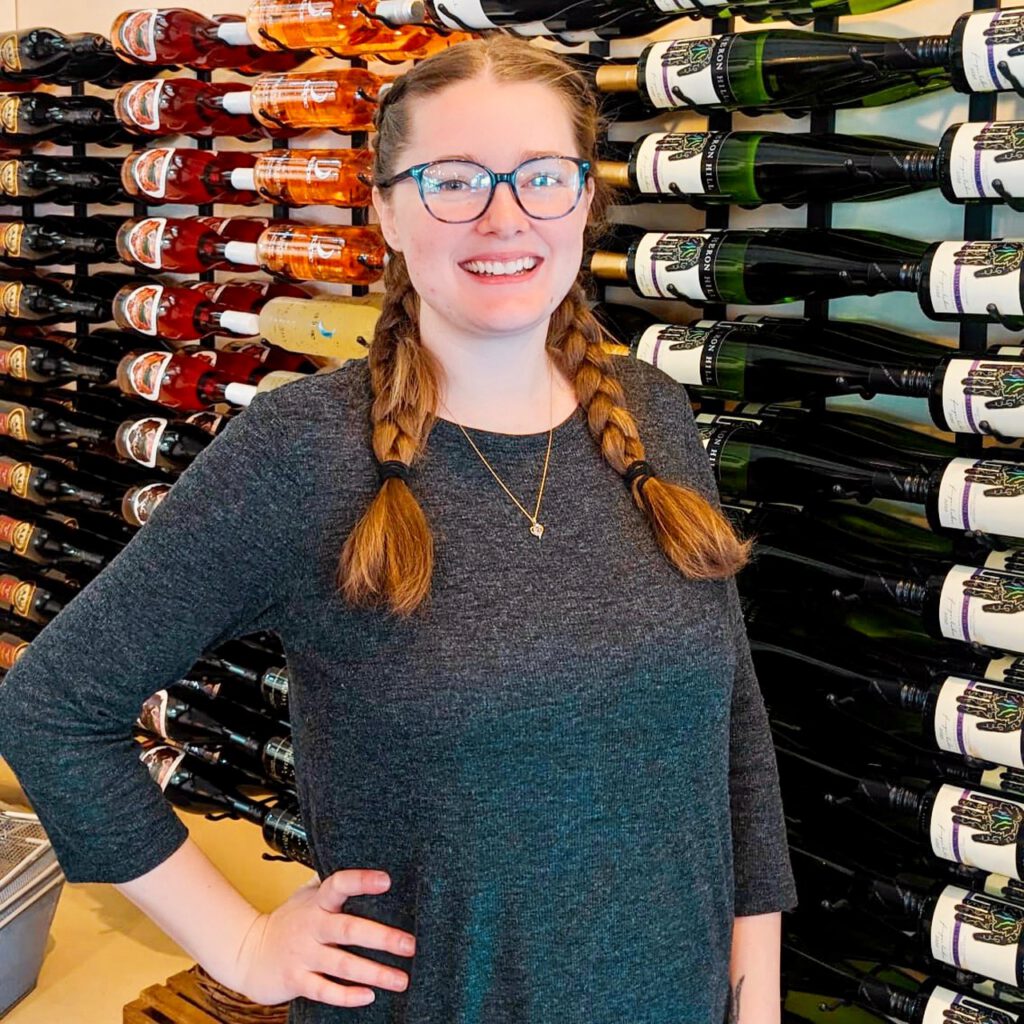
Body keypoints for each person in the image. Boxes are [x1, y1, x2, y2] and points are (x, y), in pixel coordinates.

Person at [0, 35, 795, 1024]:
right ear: (384, 207)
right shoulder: (302, 451)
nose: (504, 216)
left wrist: (753, 997)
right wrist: (238, 941)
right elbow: (52, 709)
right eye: (452, 179)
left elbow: (733, 726)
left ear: (586, 198)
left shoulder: (651, 413)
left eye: (542, 177)